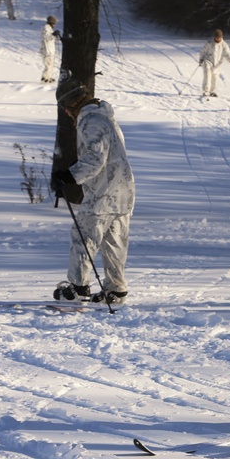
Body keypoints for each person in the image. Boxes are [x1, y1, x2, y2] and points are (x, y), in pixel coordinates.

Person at [50, 77, 135, 306]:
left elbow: (95, 158)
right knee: (114, 242)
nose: (68, 114)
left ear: (73, 104)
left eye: (67, 108)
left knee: (84, 238)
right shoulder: (106, 118)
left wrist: (68, 175)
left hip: (103, 194)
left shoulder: (92, 122)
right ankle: (116, 290)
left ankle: (78, 288)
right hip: (123, 191)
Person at [197, 29, 230, 97]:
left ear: (221, 37)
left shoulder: (224, 44)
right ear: (214, 37)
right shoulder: (209, 43)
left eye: (219, 37)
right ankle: (206, 91)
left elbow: (227, 53)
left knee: (215, 77)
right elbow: (203, 51)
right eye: (216, 37)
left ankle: (213, 91)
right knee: (207, 75)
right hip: (208, 61)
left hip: (217, 63)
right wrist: (201, 59)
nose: (218, 39)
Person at [40, 15, 61, 83]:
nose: (54, 25)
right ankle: (46, 78)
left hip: (50, 50)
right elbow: (46, 37)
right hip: (47, 50)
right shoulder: (46, 28)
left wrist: (55, 35)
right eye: (54, 23)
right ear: (51, 22)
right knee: (49, 64)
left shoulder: (49, 28)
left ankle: (47, 76)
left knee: (50, 64)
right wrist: (53, 35)